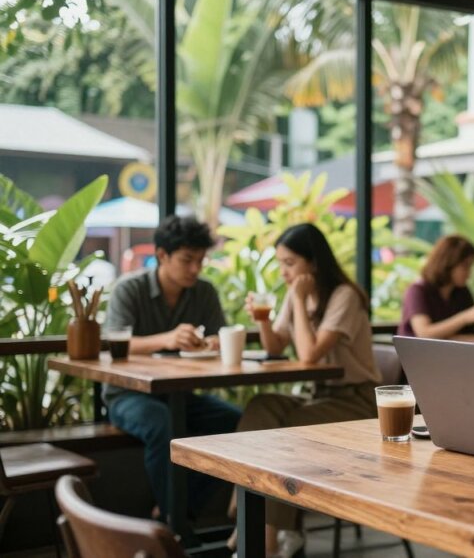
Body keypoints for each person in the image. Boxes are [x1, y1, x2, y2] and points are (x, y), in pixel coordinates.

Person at [231, 223, 381, 557]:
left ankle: (264, 536)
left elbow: (308, 355)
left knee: (289, 430)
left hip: (358, 401)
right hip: (321, 396)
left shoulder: (344, 296)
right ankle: (257, 526)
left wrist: (298, 300)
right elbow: (276, 346)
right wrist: (263, 319)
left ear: (312, 263)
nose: (283, 272)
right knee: (261, 406)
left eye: (289, 263)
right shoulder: (295, 294)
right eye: (281, 263)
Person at [104, 215, 241, 523]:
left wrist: (211, 344)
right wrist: (166, 338)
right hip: (127, 395)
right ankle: (174, 522)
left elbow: (217, 338)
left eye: (201, 261)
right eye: (187, 260)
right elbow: (112, 343)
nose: (195, 269)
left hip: (180, 394)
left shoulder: (203, 292)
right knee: (160, 422)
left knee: (238, 422)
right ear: (162, 255)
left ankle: (178, 509)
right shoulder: (130, 289)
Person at [397, 235, 474, 338]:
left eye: (470, 267)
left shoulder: (461, 292)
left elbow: (469, 332)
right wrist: (465, 317)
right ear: (448, 263)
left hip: (450, 353)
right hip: (418, 353)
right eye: (465, 266)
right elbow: (424, 333)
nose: (469, 273)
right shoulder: (417, 291)